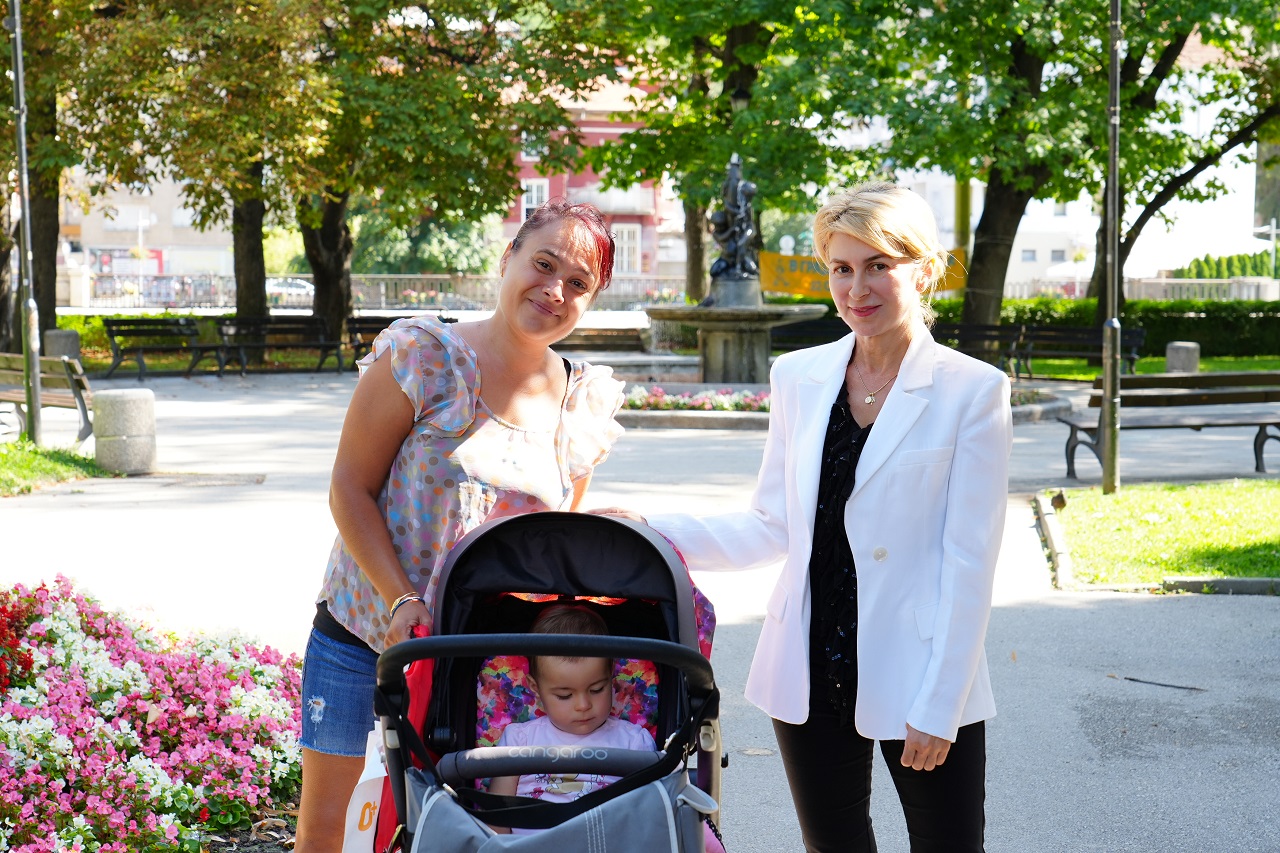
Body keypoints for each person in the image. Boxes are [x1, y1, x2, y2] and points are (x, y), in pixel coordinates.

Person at [598, 182, 1012, 852]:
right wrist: (648, 527)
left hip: (922, 670)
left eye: (879, 265)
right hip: (809, 664)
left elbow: (971, 563)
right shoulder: (798, 376)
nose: (857, 288)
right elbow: (771, 524)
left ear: (925, 268)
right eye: (841, 268)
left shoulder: (973, 390)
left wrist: (941, 705)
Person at [293, 199, 626, 853]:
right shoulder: (423, 356)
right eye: (544, 264)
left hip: (477, 660)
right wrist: (400, 598)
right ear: (508, 258)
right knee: (326, 829)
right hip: (361, 635)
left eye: (578, 283)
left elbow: (554, 545)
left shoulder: (581, 404)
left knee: (450, 829)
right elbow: (349, 489)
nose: (555, 290)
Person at [487, 604, 657, 834]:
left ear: (611, 676)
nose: (583, 705)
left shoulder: (633, 743)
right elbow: (497, 819)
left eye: (597, 689)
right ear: (536, 688)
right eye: (564, 695)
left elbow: (646, 819)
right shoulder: (519, 740)